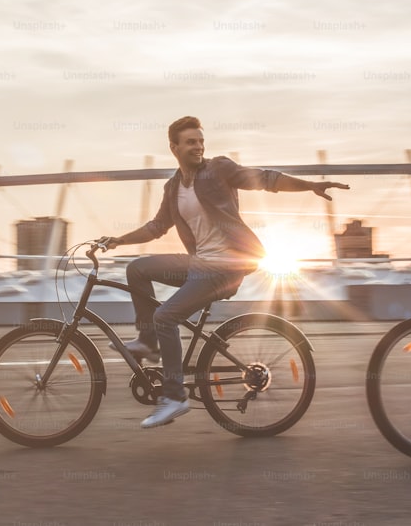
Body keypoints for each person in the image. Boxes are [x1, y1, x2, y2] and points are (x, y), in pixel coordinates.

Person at [102, 116, 349, 428]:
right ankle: (148, 342)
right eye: (191, 141)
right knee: (137, 269)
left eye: (201, 141)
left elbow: (266, 179)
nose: (198, 146)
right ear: (174, 147)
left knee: (165, 316)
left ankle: (174, 397)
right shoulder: (173, 186)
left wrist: (310, 186)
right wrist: (118, 240)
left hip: (225, 267)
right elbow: (156, 228)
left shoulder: (218, 169)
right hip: (198, 263)